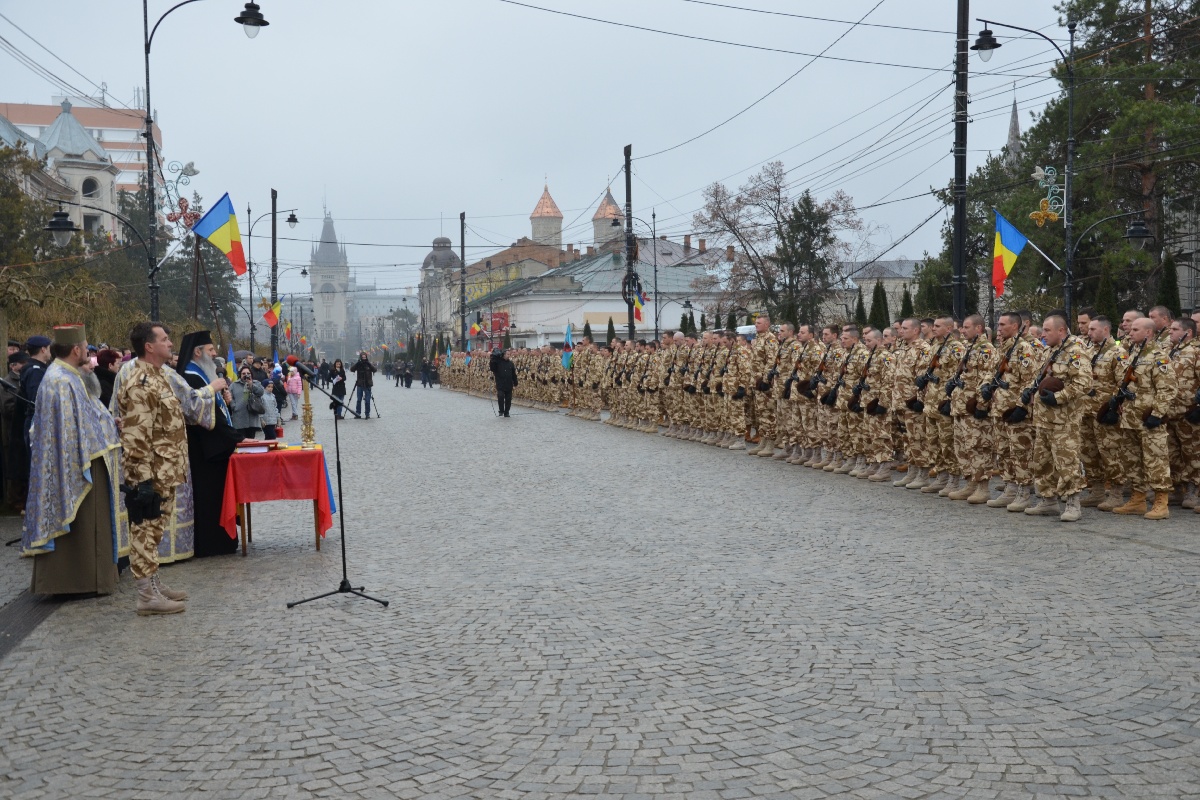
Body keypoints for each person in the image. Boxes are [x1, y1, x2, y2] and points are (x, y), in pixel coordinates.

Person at [21, 324, 122, 595]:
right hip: (76, 463)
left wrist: (109, 424)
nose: (89, 355)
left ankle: (91, 579)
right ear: (76, 349)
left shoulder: (68, 376)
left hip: (85, 456)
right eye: (86, 347)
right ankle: (79, 581)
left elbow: (86, 417)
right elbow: (69, 430)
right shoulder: (60, 380)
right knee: (84, 524)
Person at [117, 322, 191, 615]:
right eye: (164, 339)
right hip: (150, 473)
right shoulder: (140, 383)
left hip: (166, 469)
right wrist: (142, 480)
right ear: (149, 346)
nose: (170, 343)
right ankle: (146, 596)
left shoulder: (158, 377)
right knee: (144, 531)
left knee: (155, 530)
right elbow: (136, 437)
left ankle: (154, 583)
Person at [173, 330, 240, 558]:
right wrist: (237, 439)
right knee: (210, 500)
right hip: (205, 450)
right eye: (211, 350)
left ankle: (221, 541)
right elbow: (204, 416)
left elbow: (217, 412)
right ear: (198, 352)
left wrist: (227, 403)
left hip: (214, 446)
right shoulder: (191, 376)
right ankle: (213, 544)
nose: (215, 354)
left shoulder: (203, 374)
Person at [229, 365, 265, 439]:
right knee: (241, 440)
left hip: (252, 416)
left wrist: (251, 385)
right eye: (243, 373)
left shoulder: (256, 383)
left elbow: (261, 392)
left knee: (251, 439)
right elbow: (230, 396)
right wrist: (233, 406)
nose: (246, 375)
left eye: (248, 373)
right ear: (240, 375)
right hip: (239, 417)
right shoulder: (234, 385)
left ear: (251, 374)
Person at [490, 347, 517, 417]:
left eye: (509, 354)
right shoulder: (498, 362)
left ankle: (507, 412)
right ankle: (501, 410)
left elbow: (513, 374)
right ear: (503, 355)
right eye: (507, 354)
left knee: (508, 399)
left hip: (509, 384)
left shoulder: (511, 363)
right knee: (500, 396)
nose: (508, 355)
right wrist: (492, 359)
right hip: (500, 384)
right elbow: (492, 368)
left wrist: (515, 381)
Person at [350, 350, 376, 417]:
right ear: (361, 357)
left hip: (368, 384)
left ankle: (367, 413)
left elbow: (375, 370)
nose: (364, 358)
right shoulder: (359, 364)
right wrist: (357, 363)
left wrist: (369, 364)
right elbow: (351, 369)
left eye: (365, 357)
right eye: (362, 357)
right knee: (359, 399)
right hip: (360, 384)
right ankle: (358, 413)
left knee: (367, 400)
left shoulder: (368, 364)